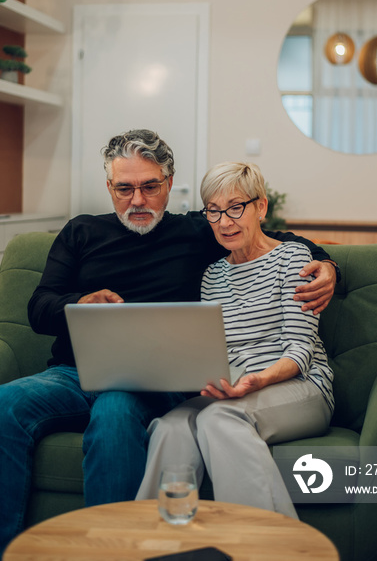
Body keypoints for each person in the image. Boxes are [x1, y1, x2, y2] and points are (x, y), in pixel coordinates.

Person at [0, 130, 338, 553]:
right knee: (4, 403)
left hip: (153, 380)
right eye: (124, 188)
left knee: (116, 408)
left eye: (149, 187)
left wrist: (329, 265)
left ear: (168, 182)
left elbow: (273, 243)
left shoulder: (198, 231)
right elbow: (38, 308)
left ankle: (118, 551)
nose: (137, 200)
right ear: (109, 187)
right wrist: (80, 301)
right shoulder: (80, 233)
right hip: (75, 372)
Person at [136, 161, 334, 518]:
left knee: (219, 420)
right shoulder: (211, 276)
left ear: (261, 207)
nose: (225, 222)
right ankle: (155, 542)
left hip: (300, 385)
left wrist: (257, 380)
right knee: (170, 427)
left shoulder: (294, 259)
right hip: (235, 389)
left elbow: (300, 350)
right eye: (214, 211)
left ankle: (267, 549)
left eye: (236, 208)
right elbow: (215, 351)